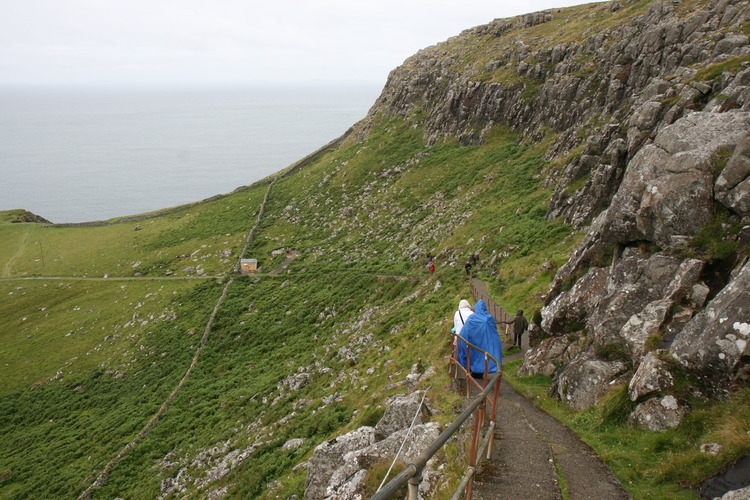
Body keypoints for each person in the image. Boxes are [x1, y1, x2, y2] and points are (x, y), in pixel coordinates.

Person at [457, 300, 502, 377]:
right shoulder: (489, 318)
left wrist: (461, 342)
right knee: (484, 357)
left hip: (475, 342)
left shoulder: (472, 318)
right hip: (487, 342)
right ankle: (484, 371)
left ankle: (476, 373)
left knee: (476, 356)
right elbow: (494, 331)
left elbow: (465, 331)